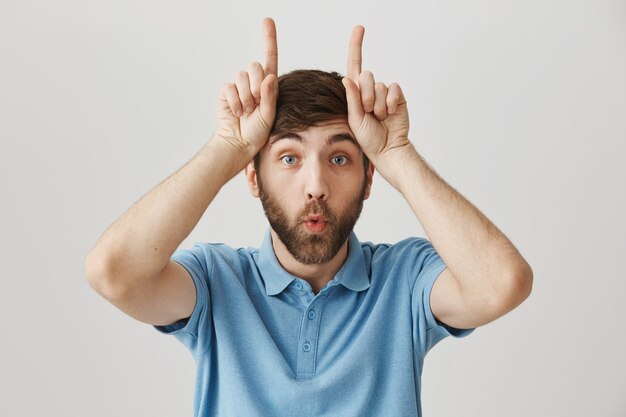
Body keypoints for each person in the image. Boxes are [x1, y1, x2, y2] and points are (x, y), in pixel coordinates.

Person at [85, 17, 533, 417]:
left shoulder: (406, 280)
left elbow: (501, 284)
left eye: (339, 158)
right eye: (288, 158)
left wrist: (396, 153)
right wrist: (229, 147)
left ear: (368, 179)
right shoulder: (216, 281)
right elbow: (114, 273)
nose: (315, 185)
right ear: (253, 178)